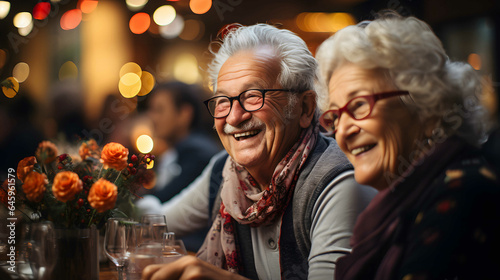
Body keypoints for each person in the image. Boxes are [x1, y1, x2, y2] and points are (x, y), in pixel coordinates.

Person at [141, 24, 377, 280]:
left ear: (305, 108)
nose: (233, 117)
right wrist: (101, 194)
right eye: (222, 101)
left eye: (253, 96)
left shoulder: (337, 181)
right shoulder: (226, 171)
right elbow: (153, 223)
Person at [315, 11, 500, 280]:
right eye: (335, 115)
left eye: (359, 105)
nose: (342, 132)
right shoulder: (396, 206)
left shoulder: (462, 192)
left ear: (427, 108)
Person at [137, 81, 221, 251]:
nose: (152, 117)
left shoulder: (197, 153)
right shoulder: (182, 149)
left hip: (193, 250)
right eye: (151, 110)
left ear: (184, 114)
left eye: (159, 110)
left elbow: (162, 203)